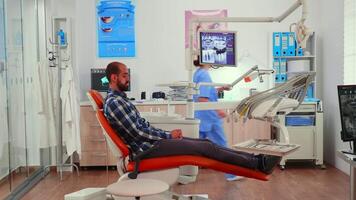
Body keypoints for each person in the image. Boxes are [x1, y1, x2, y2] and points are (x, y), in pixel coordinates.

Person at [103, 61, 281, 176]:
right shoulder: (115, 103)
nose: (128, 79)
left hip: (151, 145)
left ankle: (257, 160)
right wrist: (167, 136)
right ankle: (258, 163)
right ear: (114, 77)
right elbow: (138, 132)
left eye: (128, 75)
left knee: (205, 145)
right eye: (125, 75)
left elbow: (142, 127)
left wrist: (168, 134)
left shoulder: (120, 100)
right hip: (147, 151)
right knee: (206, 147)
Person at [193, 57, 242, 181]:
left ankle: (186, 174)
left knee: (193, 148)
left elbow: (205, 92)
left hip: (201, 117)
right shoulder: (204, 75)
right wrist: (218, 110)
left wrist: (221, 89)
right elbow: (203, 99)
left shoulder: (198, 73)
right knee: (222, 146)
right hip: (210, 118)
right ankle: (231, 174)